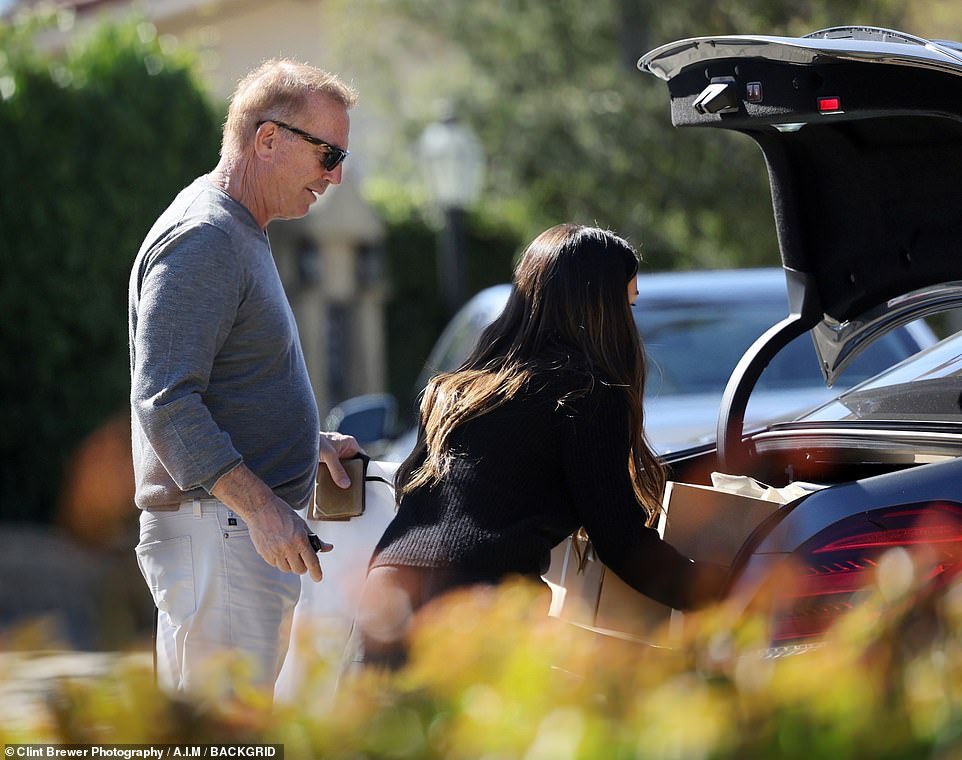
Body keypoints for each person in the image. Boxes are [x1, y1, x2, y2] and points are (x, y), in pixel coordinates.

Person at [352, 223, 729, 670]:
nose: (630, 324)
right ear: (601, 309)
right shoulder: (584, 394)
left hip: (386, 591)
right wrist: (725, 591)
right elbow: (622, 541)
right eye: (627, 305)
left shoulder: (456, 392)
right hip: (478, 608)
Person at [129, 59, 362, 697]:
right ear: (267, 140)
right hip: (220, 535)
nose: (335, 175)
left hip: (227, 535)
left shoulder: (234, 231)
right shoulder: (206, 236)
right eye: (328, 153)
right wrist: (262, 509)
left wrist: (302, 441)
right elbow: (167, 402)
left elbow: (220, 383)